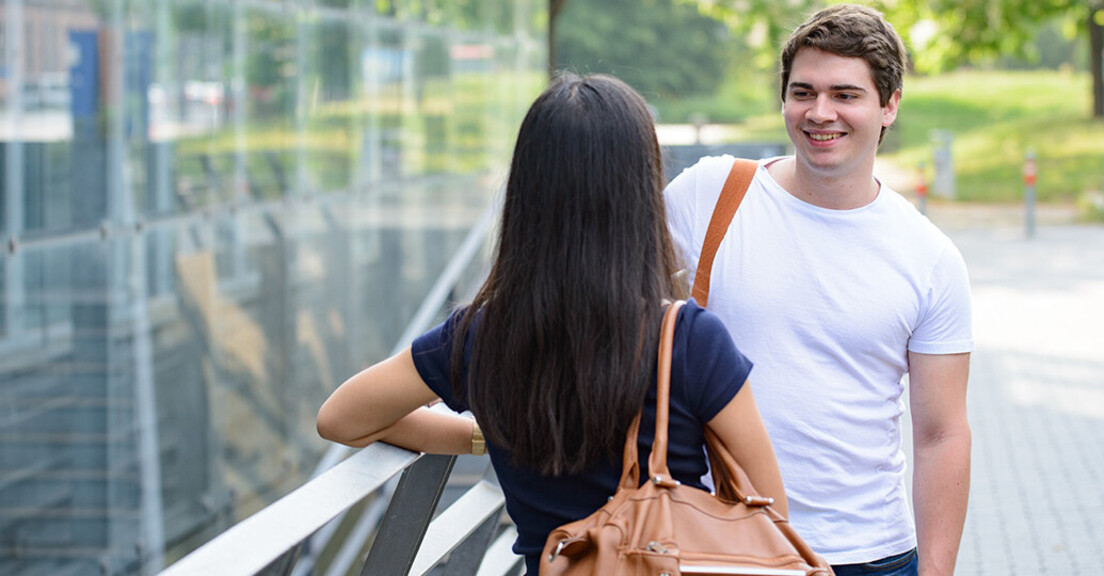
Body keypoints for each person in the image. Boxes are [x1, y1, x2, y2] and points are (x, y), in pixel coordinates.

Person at [317, 73, 788, 576]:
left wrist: (485, 435)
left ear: (527, 190)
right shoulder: (689, 339)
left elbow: (341, 420)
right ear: (639, 189)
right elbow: (770, 512)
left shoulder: (483, 334)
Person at [664, 5, 973, 576]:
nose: (819, 112)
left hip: (869, 555)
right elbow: (601, 294)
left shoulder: (930, 258)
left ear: (890, 105)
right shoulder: (711, 195)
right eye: (802, 91)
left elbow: (941, 434)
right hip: (719, 545)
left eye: (845, 95)